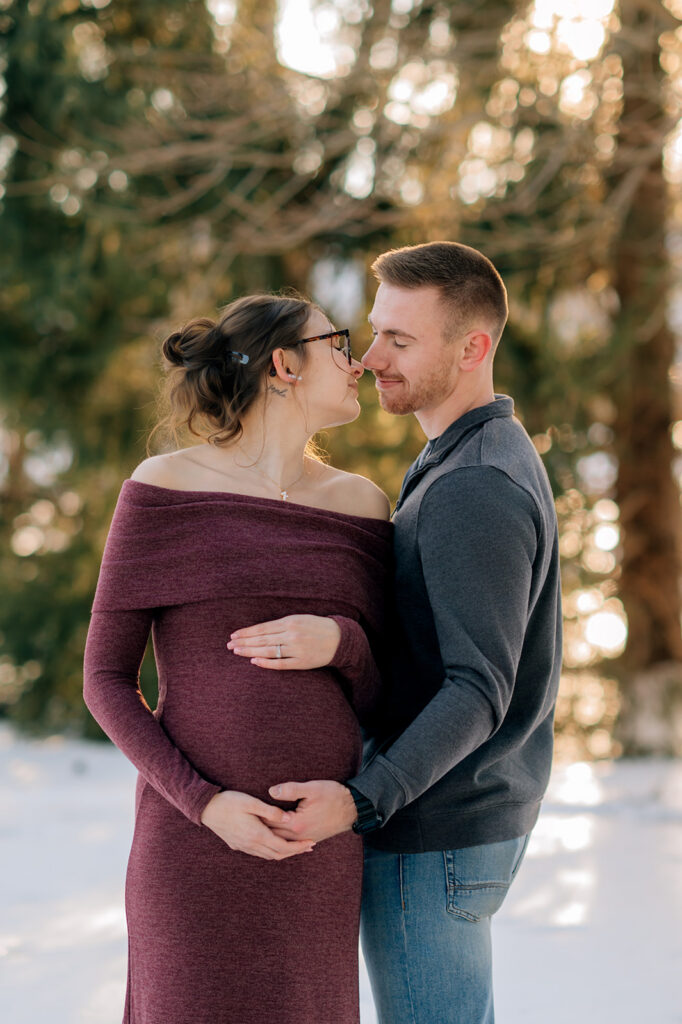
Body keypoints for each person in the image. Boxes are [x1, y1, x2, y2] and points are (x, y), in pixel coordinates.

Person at [230, 242, 562, 1024]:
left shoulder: (474, 483)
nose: (371, 357)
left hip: (435, 833)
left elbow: (478, 689)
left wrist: (361, 800)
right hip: (449, 822)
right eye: (375, 330)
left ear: (473, 348)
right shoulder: (460, 454)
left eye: (402, 341)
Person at [82, 292, 392, 1024]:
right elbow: (104, 680)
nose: (358, 363)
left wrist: (342, 644)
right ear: (285, 363)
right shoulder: (163, 489)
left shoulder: (364, 507)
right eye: (337, 343)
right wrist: (205, 803)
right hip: (193, 845)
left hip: (313, 846)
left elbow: (389, 694)